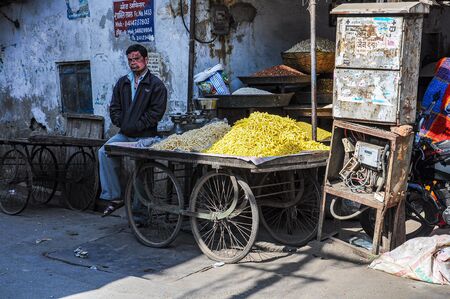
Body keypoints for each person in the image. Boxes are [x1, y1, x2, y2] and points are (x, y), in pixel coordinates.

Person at [98, 44, 167, 217]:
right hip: (125, 135)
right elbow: (114, 107)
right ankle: (114, 197)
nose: (133, 63)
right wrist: (123, 122)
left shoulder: (156, 85)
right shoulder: (123, 83)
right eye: (130, 60)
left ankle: (140, 214)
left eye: (136, 59)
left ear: (146, 60)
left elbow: (155, 114)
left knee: (142, 171)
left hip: (146, 137)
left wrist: (135, 126)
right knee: (104, 152)